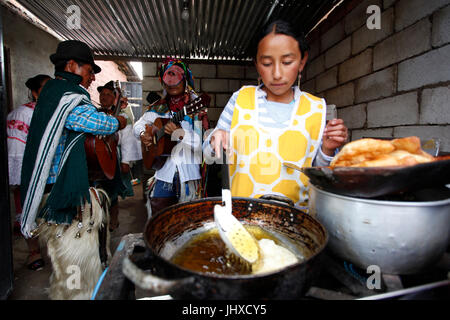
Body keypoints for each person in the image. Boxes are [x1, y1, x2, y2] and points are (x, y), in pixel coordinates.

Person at [20, 40, 127, 300]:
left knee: (88, 256)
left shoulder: (63, 93)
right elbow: (94, 122)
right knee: (74, 264)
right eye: (90, 71)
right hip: (63, 195)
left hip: (70, 189)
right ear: (70, 65)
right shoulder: (63, 95)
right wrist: (118, 120)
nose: (91, 78)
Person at [203, 20, 348, 210]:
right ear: (256, 63)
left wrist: (328, 150)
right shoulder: (241, 99)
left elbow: (318, 172)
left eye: (287, 62)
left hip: (295, 221)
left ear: (302, 61)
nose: (277, 73)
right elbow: (208, 154)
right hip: (241, 217)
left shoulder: (315, 108)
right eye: (267, 63)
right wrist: (216, 137)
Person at [133, 58, 209, 217]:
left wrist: (181, 134)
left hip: (189, 177)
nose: (172, 84)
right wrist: (143, 135)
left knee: (188, 222)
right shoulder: (157, 108)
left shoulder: (197, 109)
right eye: (168, 80)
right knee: (159, 220)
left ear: (185, 79)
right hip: (163, 175)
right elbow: (138, 126)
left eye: (176, 79)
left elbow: (203, 145)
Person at [7, 74, 51, 271]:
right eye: (45, 89)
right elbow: (15, 151)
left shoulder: (54, 112)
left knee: (51, 213)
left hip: (53, 173)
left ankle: (55, 251)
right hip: (29, 174)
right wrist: (19, 178)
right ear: (34, 93)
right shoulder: (21, 115)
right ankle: (34, 253)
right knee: (29, 211)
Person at [95, 80, 142, 231]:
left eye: (108, 94)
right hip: (95, 157)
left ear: (115, 98)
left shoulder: (122, 116)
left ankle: (113, 219)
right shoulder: (95, 114)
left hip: (113, 157)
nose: (104, 97)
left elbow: (128, 138)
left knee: (112, 190)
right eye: (102, 94)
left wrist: (126, 161)